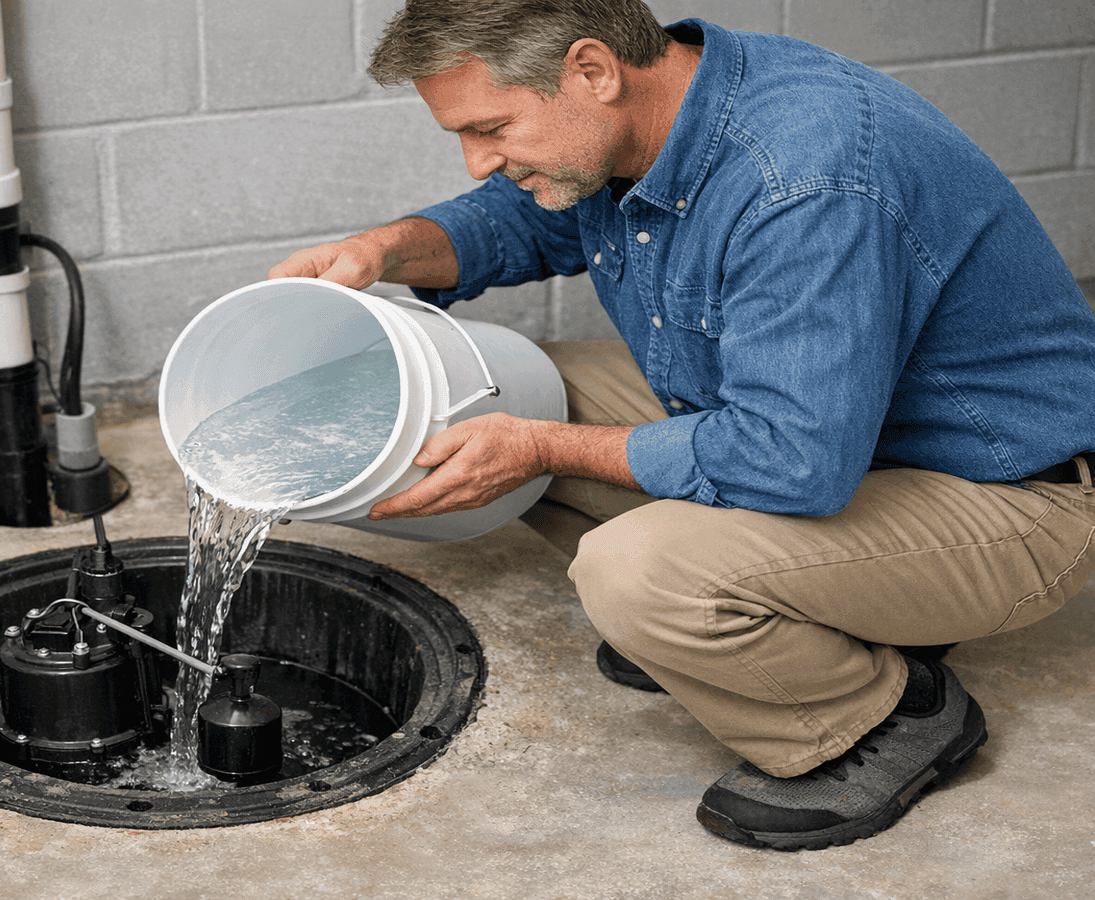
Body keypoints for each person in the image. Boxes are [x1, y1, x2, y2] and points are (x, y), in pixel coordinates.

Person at [270, 0, 1095, 850]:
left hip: (999, 495)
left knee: (640, 575)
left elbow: (792, 460)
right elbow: (523, 217)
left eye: (492, 128)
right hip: (850, 438)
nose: (479, 161)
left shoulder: (804, 177)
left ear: (592, 70)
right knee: (486, 392)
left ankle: (882, 716)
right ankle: (794, 622)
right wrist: (386, 251)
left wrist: (544, 449)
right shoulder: (657, 111)